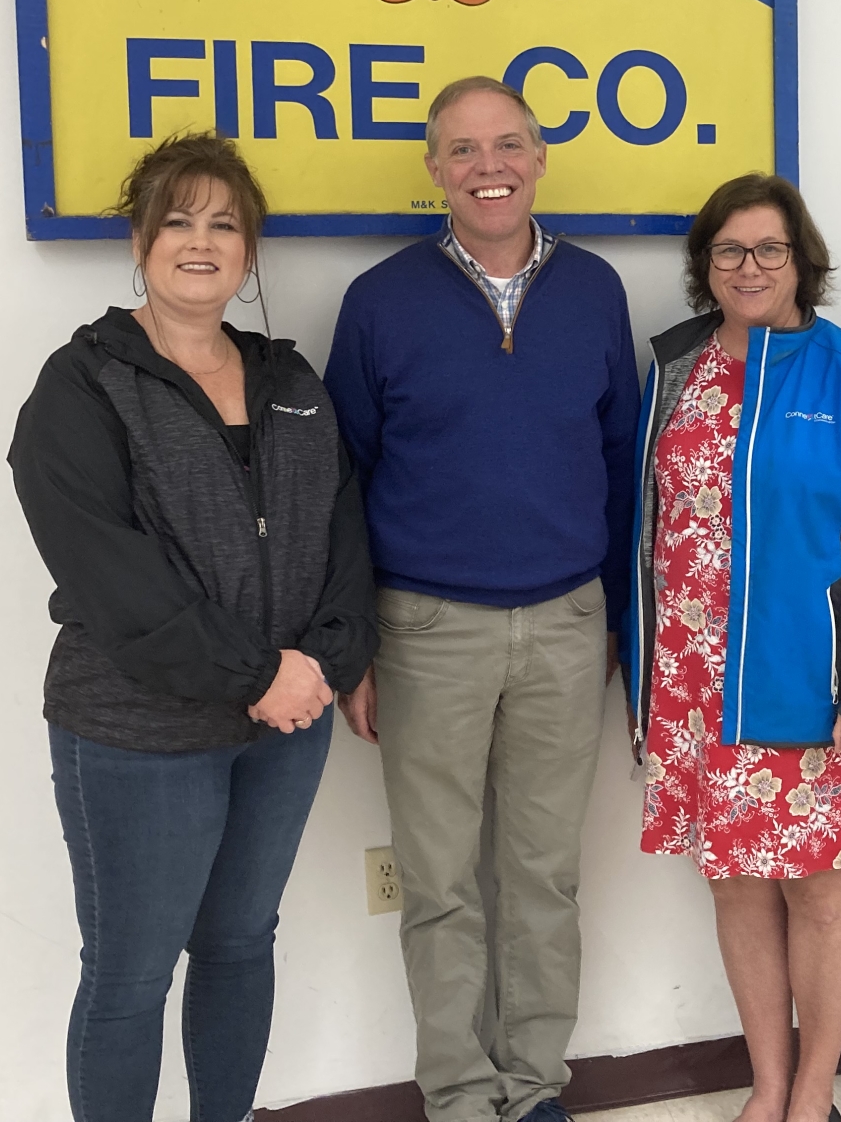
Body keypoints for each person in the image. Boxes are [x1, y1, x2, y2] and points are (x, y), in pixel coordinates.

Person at [9, 132, 378, 1122]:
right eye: (177, 222)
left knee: (240, 942)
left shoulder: (292, 385)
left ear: (249, 251)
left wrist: (325, 663)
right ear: (141, 241)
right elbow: (109, 574)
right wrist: (259, 673)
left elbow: (345, 535)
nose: (201, 242)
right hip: (138, 731)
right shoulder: (82, 385)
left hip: (285, 725)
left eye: (224, 225)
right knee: (130, 975)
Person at [324, 77, 639, 1122]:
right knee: (439, 882)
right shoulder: (379, 301)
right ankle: (459, 1095)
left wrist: (608, 614)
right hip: (425, 630)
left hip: (565, 623)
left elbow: (618, 462)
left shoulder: (594, 289)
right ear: (433, 170)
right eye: (461, 150)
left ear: (540, 158)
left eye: (507, 144)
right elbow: (343, 481)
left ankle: (534, 1086)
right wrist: (356, 644)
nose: (487, 167)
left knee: (544, 876)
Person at [621, 173, 841, 1122]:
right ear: (704, 263)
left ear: (802, 262)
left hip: (813, 681)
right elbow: (646, 526)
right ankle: (767, 1083)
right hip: (693, 684)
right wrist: (641, 677)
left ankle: (815, 1092)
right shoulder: (675, 368)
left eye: (769, 249)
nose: (748, 267)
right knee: (738, 888)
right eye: (728, 250)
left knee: (821, 894)